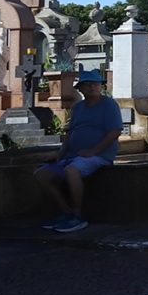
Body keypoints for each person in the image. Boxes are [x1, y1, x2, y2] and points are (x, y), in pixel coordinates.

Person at [36, 69, 123, 232]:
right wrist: (60, 154)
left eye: (95, 84)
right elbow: (71, 133)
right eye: (87, 84)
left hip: (98, 155)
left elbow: (115, 131)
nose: (92, 87)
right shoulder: (78, 107)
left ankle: (77, 215)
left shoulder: (109, 104)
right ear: (81, 89)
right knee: (42, 174)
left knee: (72, 170)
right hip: (73, 155)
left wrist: (93, 151)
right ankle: (66, 212)